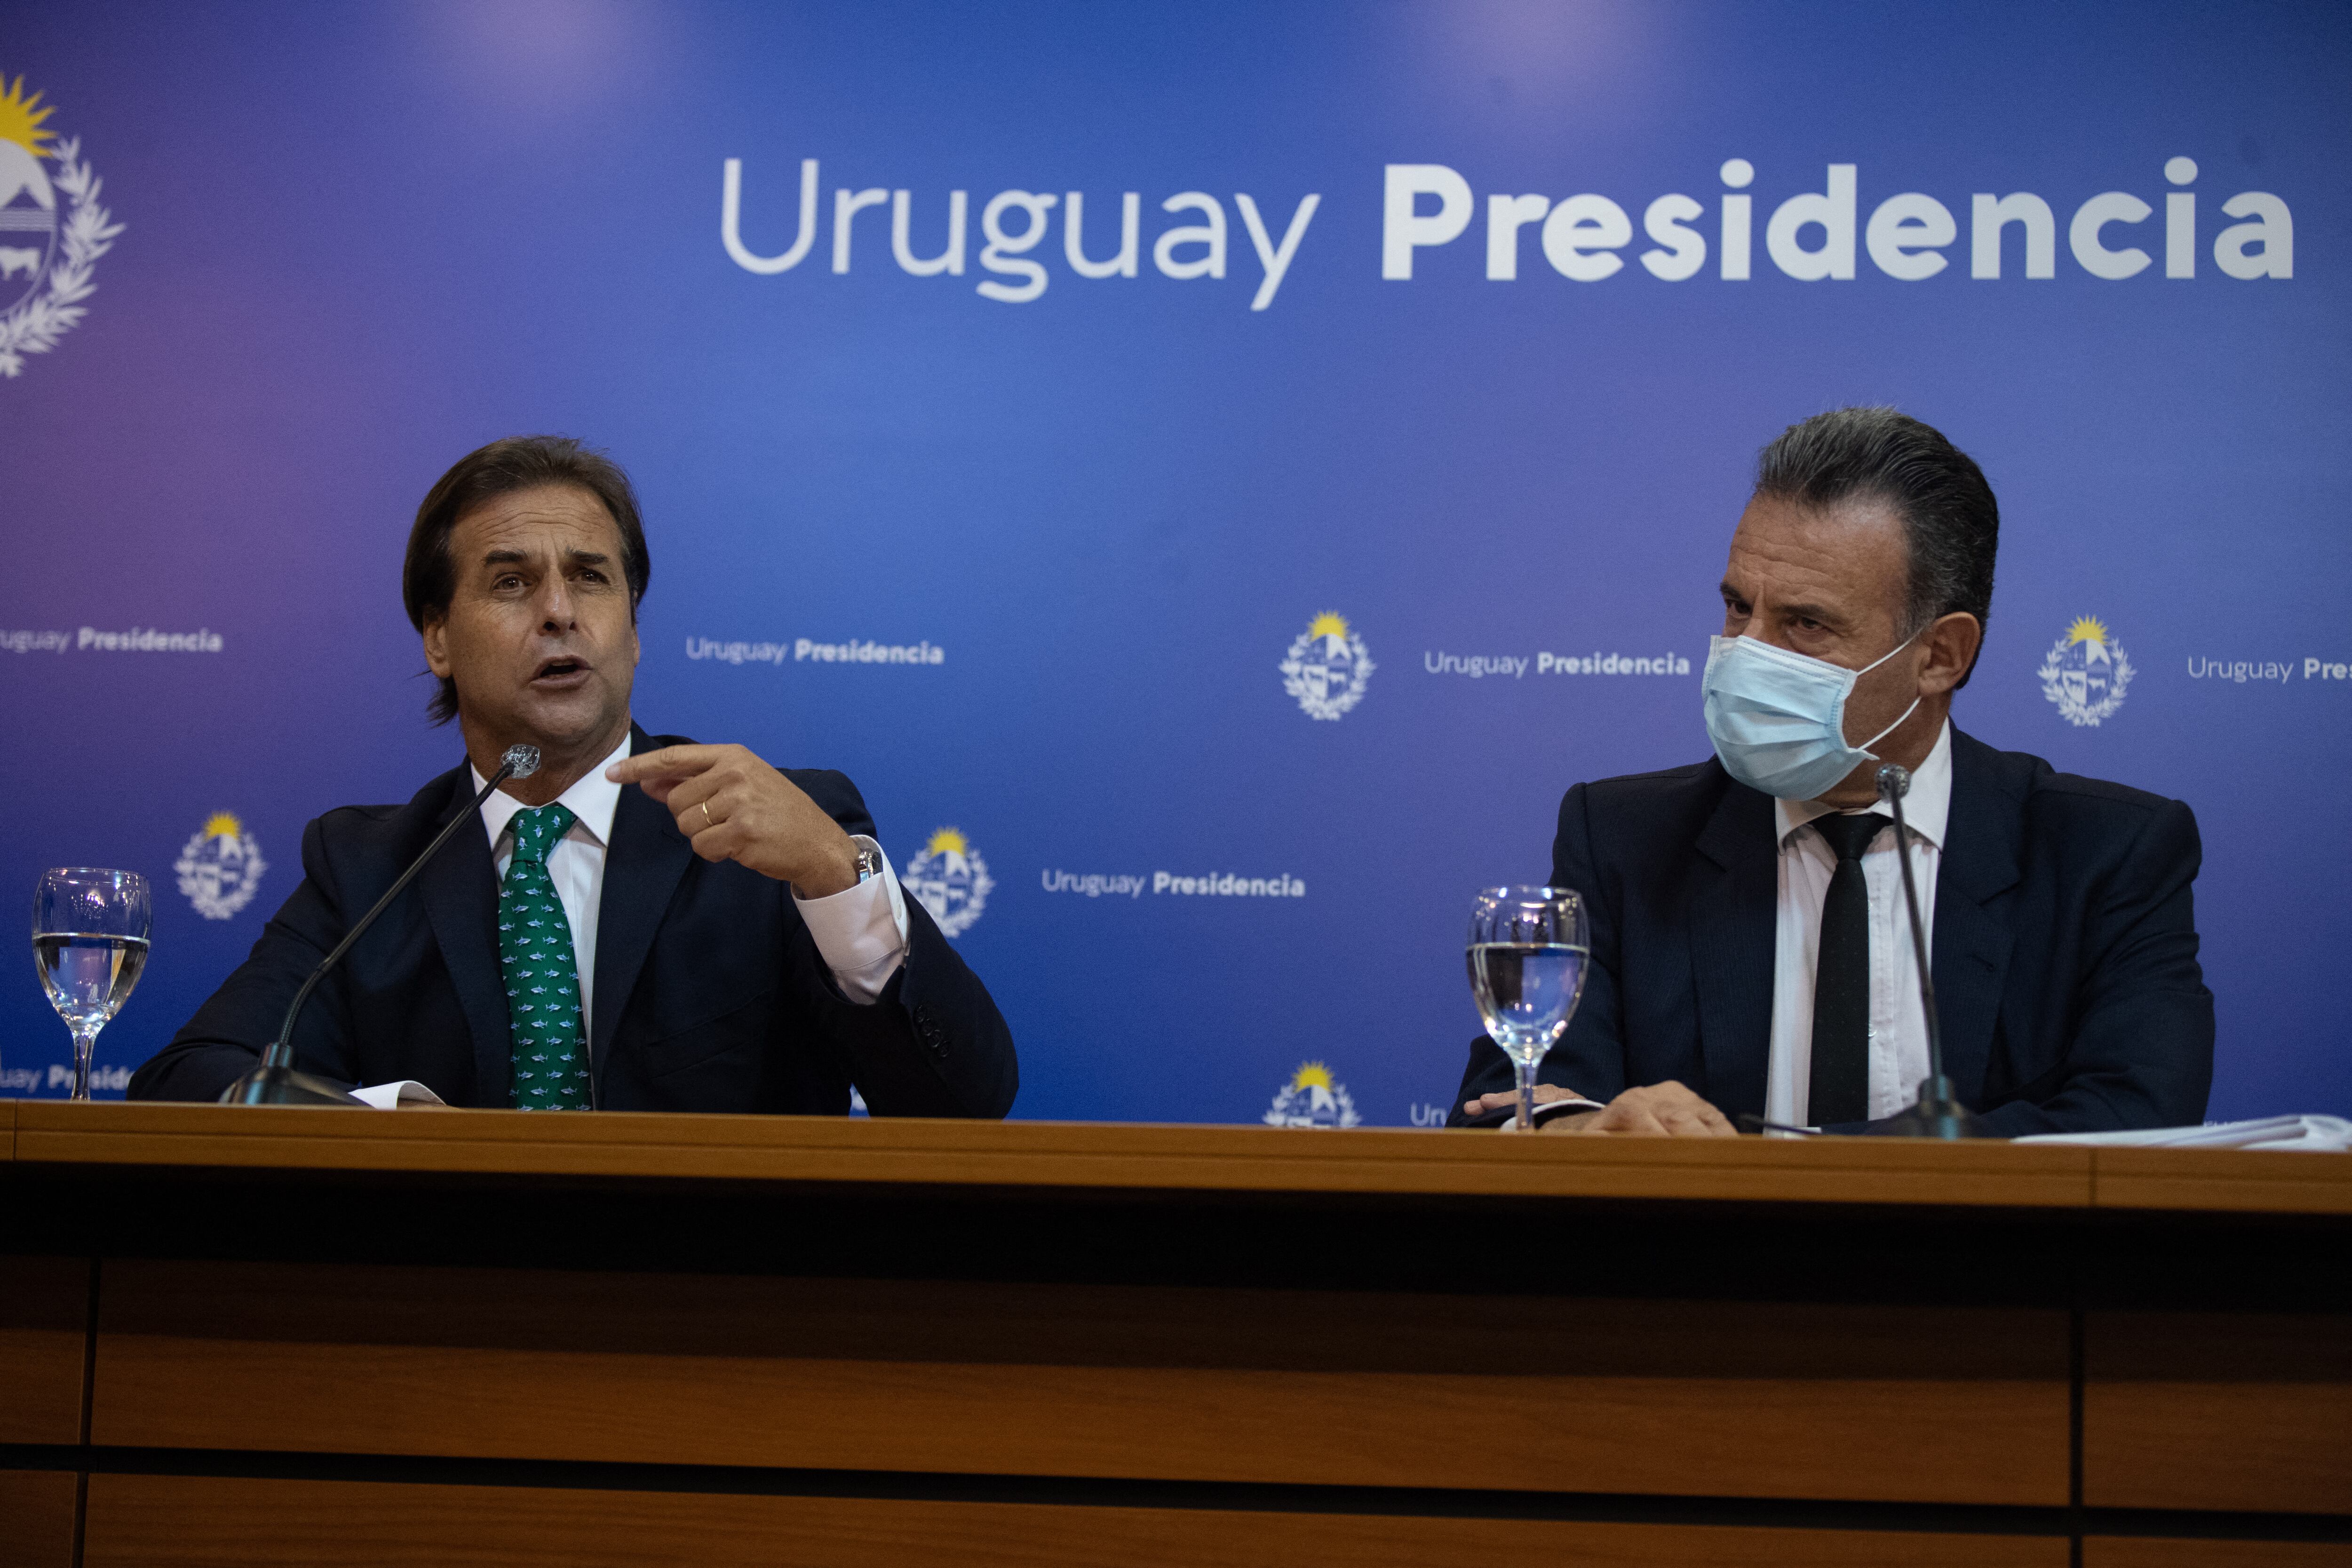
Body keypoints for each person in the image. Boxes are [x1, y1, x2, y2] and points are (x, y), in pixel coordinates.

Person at [132, 436, 1017, 1115]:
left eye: (590, 578)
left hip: (726, 1330)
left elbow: (966, 1099)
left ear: (632, 627)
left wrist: (836, 874)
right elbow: (191, 1084)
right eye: (512, 582)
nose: (559, 611)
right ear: (437, 637)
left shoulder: (774, 835)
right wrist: (380, 1122)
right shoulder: (369, 866)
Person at [1451, 407, 2211, 1137]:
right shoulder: (1623, 840)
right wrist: (1583, 1128)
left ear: (1941, 655)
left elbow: (2137, 1121)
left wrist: (1786, 1162)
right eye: (1738, 607)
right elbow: (1505, 1104)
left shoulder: (2107, 855)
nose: (1748, 652)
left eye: (1805, 624)